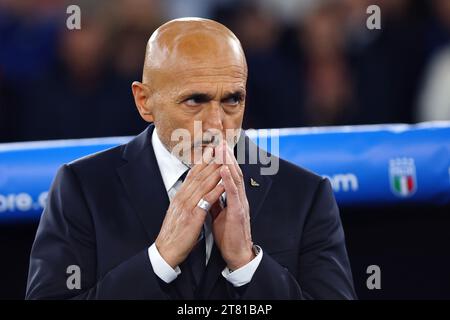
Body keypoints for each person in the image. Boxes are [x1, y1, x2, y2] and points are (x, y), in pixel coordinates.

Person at [26, 18, 356, 299]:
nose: (217, 123)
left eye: (232, 99)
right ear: (144, 101)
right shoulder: (83, 188)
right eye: (195, 100)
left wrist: (247, 264)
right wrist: (159, 260)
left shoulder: (304, 194)